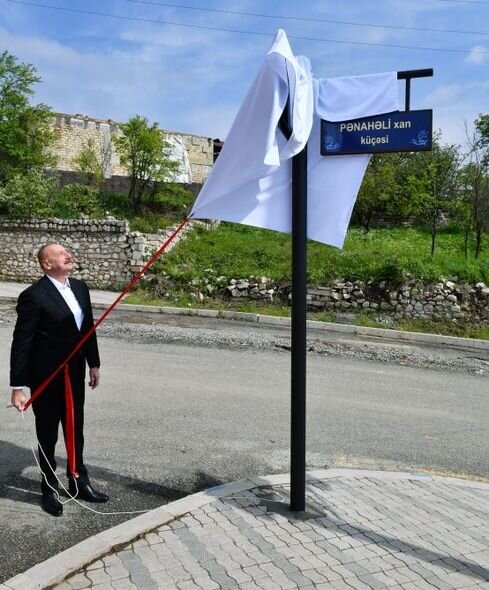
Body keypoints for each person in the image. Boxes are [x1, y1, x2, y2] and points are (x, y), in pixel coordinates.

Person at [9, 243, 109, 516]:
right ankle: (48, 487)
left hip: (74, 372)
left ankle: (79, 480)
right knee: (48, 432)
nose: (68, 255)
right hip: (47, 374)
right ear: (46, 264)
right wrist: (17, 387)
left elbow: (87, 328)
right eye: (61, 254)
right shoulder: (34, 296)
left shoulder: (79, 287)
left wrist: (94, 363)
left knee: (75, 427)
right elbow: (22, 343)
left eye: (67, 252)